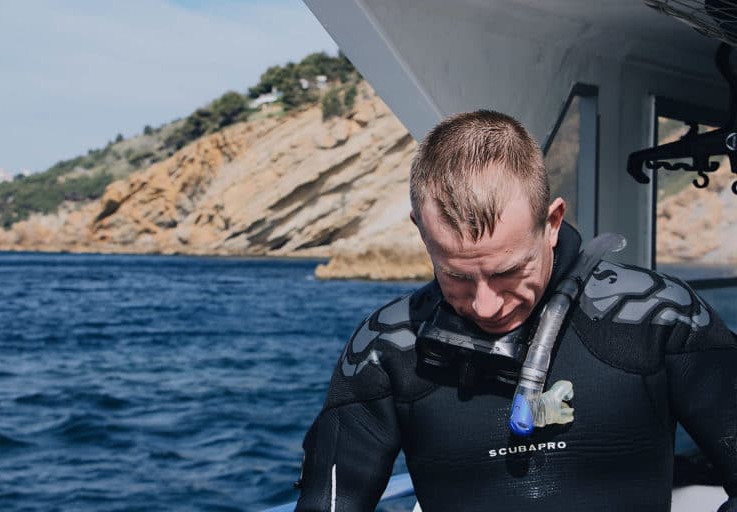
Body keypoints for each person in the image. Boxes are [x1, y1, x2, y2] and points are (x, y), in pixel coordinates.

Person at [294, 110, 737, 511]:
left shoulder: (658, 316)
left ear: (553, 223)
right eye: (458, 276)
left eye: (508, 272)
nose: (485, 305)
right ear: (420, 231)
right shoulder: (384, 349)